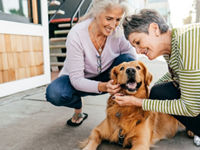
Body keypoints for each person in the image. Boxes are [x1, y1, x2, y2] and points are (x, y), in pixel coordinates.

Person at [113, 9, 200, 146]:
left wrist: (139, 102)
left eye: (138, 42)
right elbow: (178, 76)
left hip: (192, 106)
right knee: (158, 92)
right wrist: (147, 91)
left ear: (154, 29)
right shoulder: (172, 45)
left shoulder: (187, 44)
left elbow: (191, 108)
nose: (137, 51)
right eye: (134, 46)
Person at [46, 0, 137, 127]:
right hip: (78, 80)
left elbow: (133, 59)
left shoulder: (119, 31)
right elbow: (76, 79)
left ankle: (123, 113)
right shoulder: (76, 34)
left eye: (118, 19)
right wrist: (104, 86)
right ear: (96, 13)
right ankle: (78, 108)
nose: (113, 25)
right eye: (109, 18)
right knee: (55, 93)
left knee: (128, 61)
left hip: (108, 75)